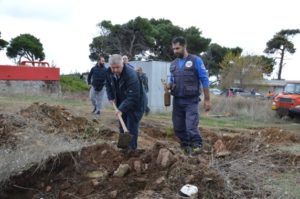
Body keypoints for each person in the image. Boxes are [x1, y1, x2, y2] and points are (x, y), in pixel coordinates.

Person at [167, 36, 211, 155]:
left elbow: (204, 80)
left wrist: (207, 99)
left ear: (184, 46)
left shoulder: (196, 60)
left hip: (191, 100)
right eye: (174, 49)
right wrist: (169, 86)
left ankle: (197, 145)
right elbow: (172, 80)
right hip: (177, 100)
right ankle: (185, 145)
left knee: (191, 125)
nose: (175, 51)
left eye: (178, 48)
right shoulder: (173, 64)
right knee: (178, 126)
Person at [106, 54, 145, 151]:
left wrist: (121, 109)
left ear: (122, 63)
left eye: (117, 67)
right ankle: (124, 148)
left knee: (131, 125)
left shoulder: (131, 75)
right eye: (113, 68)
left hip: (136, 102)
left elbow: (133, 96)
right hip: (121, 100)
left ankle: (131, 150)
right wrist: (111, 97)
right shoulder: (108, 72)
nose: (115, 70)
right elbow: (108, 85)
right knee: (122, 124)